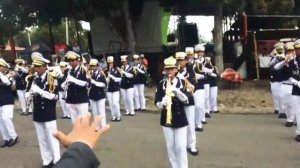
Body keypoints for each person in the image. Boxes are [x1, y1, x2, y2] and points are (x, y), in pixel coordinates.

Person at [25, 53, 61, 167]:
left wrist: (40, 91)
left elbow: (55, 96)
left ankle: (56, 161)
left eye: (39, 67)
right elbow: (29, 93)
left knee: (52, 139)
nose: (36, 69)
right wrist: (29, 95)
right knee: (42, 139)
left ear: (45, 67)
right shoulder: (33, 79)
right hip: (38, 113)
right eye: (35, 67)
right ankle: (47, 160)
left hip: (49, 113)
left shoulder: (52, 79)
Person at [155, 56, 190, 168]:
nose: (169, 71)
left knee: (180, 146)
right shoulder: (162, 84)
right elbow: (157, 102)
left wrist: (176, 91)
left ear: (176, 70)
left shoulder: (182, 82)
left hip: (180, 117)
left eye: (172, 69)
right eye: (167, 69)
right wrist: (162, 103)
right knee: (170, 146)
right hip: (166, 118)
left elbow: (187, 100)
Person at [175, 52, 199, 156]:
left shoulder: (190, 71)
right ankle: (181, 144)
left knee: (190, 123)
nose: (180, 62)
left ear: (185, 61)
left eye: (182, 60)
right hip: (177, 101)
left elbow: (194, 86)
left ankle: (192, 145)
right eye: (178, 60)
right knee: (179, 124)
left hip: (188, 100)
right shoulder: (172, 71)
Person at [63, 51, 91, 123]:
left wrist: (74, 80)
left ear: (78, 60)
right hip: (71, 99)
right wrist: (64, 84)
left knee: (84, 121)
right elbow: (63, 84)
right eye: (69, 61)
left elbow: (88, 84)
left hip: (81, 99)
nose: (70, 63)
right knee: (74, 122)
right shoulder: (68, 71)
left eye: (72, 60)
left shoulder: (84, 69)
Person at [274, 42, 295, 127]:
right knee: (287, 104)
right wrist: (285, 61)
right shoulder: (282, 59)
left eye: (292, 50)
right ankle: (290, 119)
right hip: (285, 84)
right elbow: (276, 67)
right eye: (288, 51)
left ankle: (294, 120)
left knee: (296, 104)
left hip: (295, 84)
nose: (290, 52)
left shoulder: (296, 60)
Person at [0, 58, 18, 148]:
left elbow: (12, 87)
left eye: (0, 66)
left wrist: (1, 76)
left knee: (6, 118)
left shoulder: (9, 75)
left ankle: (13, 136)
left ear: (5, 67)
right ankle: (6, 138)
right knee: (1, 121)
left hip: (7, 100)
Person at [89, 59, 107, 128]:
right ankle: (96, 125)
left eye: (94, 66)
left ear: (97, 66)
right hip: (92, 95)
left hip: (100, 95)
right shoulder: (89, 73)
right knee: (94, 112)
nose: (93, 67)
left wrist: (94, 82)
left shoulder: (101, 73)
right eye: (91, 66)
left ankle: (103, 125)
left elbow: (104, 84)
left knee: (101, 112)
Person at [289, 39, 300, 142]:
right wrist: (297, 83)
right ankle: (299, 133)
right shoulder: (293, 62)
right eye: (297, 49)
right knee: (298, 112)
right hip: (296, 91)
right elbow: (289, 77)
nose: (299, 51)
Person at [106, 56, 122, 122]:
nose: (110, 64)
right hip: (109, 89)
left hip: (115, 88)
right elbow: (103, 79)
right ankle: (113, 116)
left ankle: (118, 116)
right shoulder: (106, 70)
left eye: (111, 63)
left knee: (115, 103)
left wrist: (113, 77)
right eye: (109, 63)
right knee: (111, 103)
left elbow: (120, 79)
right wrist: (106, 79)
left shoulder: (117, 69)